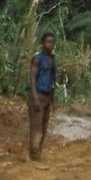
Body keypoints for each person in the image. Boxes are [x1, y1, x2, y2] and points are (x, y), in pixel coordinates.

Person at [28, 33, 56, 161]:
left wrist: (52, 100)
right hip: (38, 95)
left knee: (44, 126)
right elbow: (32, 79)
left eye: (52, 42)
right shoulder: (37, 59)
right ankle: (33, 154)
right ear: (42, 43)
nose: (50, 44)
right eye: (48, 42)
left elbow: (52, 80)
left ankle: (38, 151)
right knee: (36, 127)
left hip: (47, 97)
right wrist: (35, 98)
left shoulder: (52, 59)